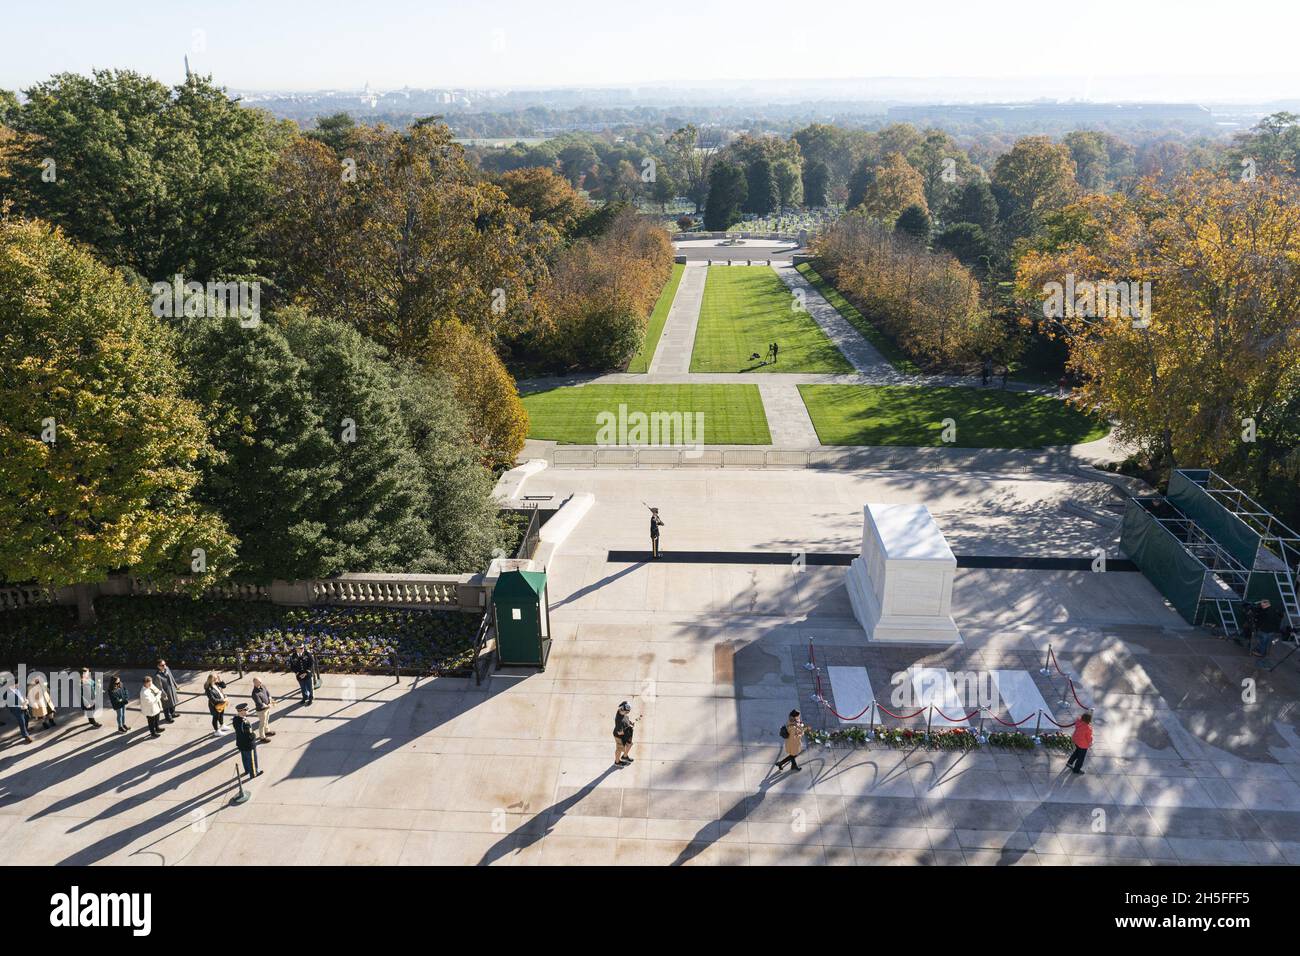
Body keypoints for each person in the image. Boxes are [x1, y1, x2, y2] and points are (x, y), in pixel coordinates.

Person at [232, 703, 262, 778]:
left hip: (240, 743)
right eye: (246, 710)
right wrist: (254, 736)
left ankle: (247, 770)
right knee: (252, 759)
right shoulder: (245, 723)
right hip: (248, 744)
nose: (247, 711)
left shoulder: (235, 719)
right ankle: (254, 773)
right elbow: (250, 734)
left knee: (244, 758)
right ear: (242, 711)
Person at [3, 679, 32, 744]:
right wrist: (20, 707)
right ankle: (26, 736)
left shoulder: (19, 688)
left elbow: (23, 695)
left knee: (27, 718)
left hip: (24, 706)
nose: (18, 685)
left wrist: (26, 700)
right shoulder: (6, 694)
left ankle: (26, 729)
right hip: (17, 709)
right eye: (17, 684)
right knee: (22, 721)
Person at [613, 701, 637, 767]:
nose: (627, 713)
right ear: (622, 709)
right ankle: (617, 762)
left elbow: (626, 719)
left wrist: (630, 723)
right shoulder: (619, 720)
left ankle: (625, 756)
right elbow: (619, 732)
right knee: (619, 749)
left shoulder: (622, 713)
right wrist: (628, 728)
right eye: (626, 712)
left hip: (625, 734)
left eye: (628, 711)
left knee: (630, 744)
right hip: (619, 737)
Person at [251, 677, 276, 742]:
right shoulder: (254, 693)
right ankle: (262, 737)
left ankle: (267, 731)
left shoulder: (263, 686)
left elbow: (268, 693)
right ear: (255, 683)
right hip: (261, 710)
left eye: (261, 681)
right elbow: (260, 703)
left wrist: (270, 699)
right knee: (262, 723)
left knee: (267, 720)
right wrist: (268, 706)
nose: (261, 683)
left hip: (267, 707)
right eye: (259, 682)